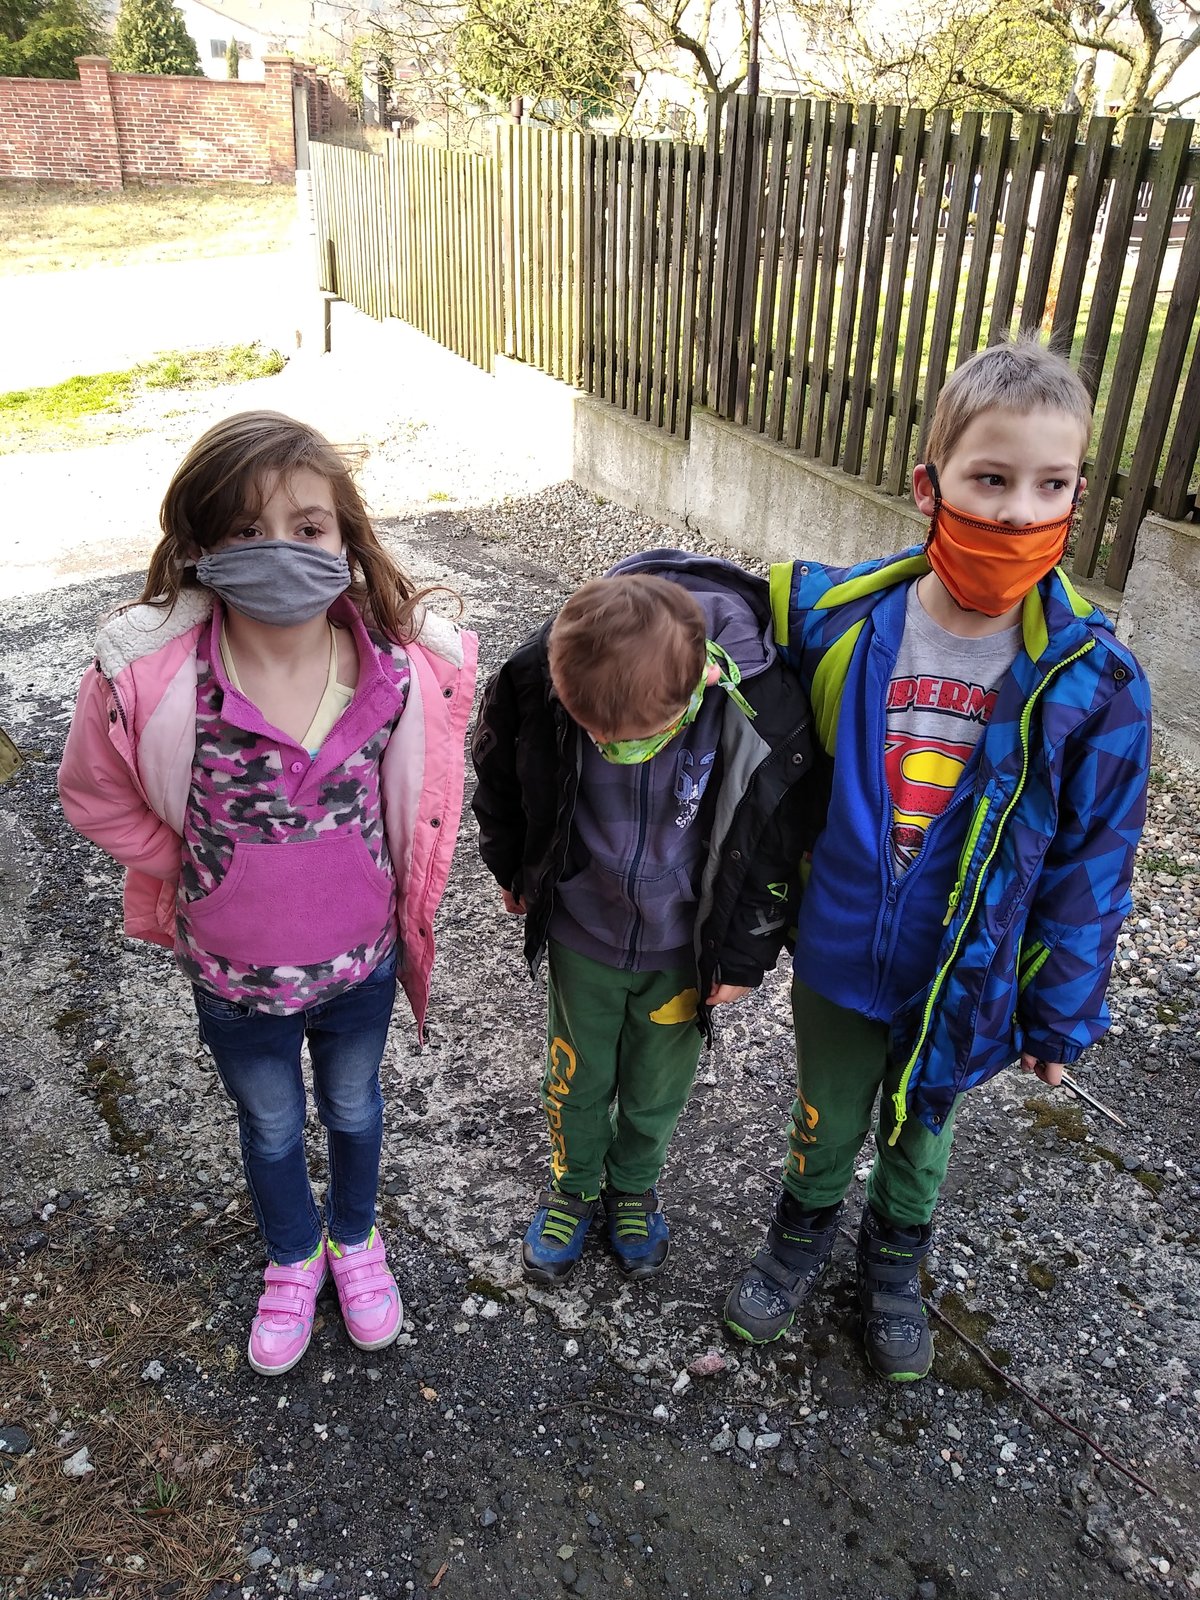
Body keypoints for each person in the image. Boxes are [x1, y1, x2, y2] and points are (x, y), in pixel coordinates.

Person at [723, 339, 1152, 1381]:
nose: (1017, 512)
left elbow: (1094, 864)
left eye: (1050, 485)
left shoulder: (1093, 682)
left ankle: (895, 1261)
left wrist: (1060, 1011)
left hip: (966, 970)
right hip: (837, 950)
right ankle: (799, 1235)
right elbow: (715, 646)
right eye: (991, 479)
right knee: (825, 1112)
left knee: (922, 1127)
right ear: (931, 486)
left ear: (1079, 495)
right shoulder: (837, 623)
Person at [58, 411, 478, 1377]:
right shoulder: (156, 680)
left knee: (355, 1108)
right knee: (273, 1124)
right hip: (234, 980)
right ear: (199, 548)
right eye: (247, 531)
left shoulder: (394, 670)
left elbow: (418, 802)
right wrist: (190, 865)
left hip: (362, 969)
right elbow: (94, 794)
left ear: (345, 538)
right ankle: (293, 1255)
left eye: (307, 526)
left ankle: (355, 1238)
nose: (280, 550)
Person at [471, 552, 822, 1285]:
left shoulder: (749, 703)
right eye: (594, 735)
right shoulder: (547, 675)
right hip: (582, 932)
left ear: (699, 685)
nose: (612, 750)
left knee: (657, 1086)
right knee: (575, 1075)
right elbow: (504, 775)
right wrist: (513, 868)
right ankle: (573, 1187)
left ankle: (633, 1186)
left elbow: (771, 835)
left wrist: (743, 955)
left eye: (635, 737)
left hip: (681, 948)